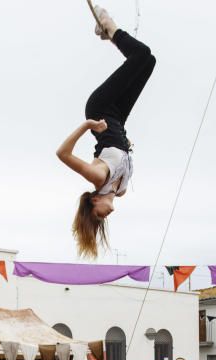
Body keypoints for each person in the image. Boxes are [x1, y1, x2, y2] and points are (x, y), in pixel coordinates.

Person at [56, 7, 156, 257]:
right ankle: (107, 33)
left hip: (98, 109)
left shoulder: (98, 178)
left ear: (93, 202)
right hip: (118, 120)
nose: (106, 216)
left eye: (99, 216)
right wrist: (124, 142)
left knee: (141, 55)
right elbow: (116, 150)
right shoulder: (120, 190)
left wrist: (89, 125)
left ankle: (108, 27)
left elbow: (63, 153)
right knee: (148, 62)